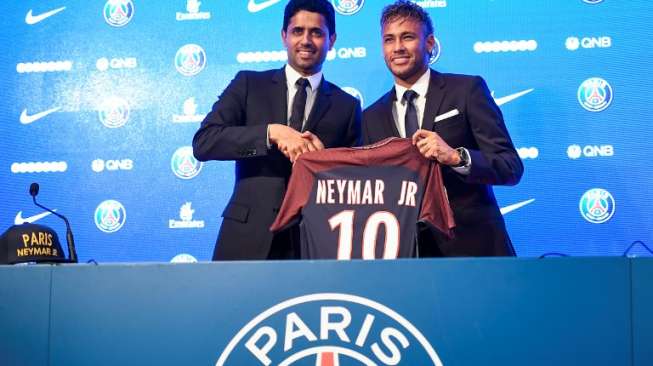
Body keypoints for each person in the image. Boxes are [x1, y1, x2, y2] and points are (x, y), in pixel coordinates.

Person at [193, 0, 361, 260]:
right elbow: (204, 142)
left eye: (316, 32)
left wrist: (325, 160)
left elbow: (356, 182)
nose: (306, 40)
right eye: (297, 31)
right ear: (284, 36)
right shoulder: (248, 84)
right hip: (246, 238)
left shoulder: (347, 106)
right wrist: (270, 133)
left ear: (332, 40)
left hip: (316, 244)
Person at [362, 0, 523, 256]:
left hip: (474, 249)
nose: (398, 48)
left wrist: (457, 157)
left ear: (429, 43)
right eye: (389, 40)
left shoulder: (467, 91)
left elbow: (510, 167)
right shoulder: (370, 117)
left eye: (408, 37)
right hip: (406, 257)